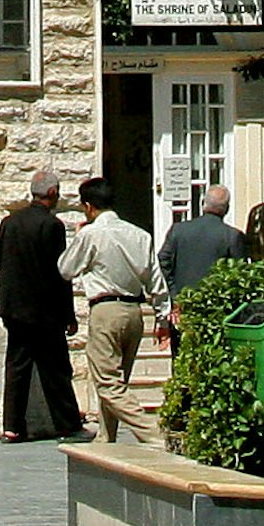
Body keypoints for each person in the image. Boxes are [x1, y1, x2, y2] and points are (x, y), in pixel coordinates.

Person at [0, 166, 86, 442]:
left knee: (17, 366)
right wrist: (70, 314)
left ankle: (12, 426)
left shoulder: (10, 222)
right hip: (45, 310)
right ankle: (67, 424)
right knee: (54, 369)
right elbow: (61, 273)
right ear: (52, 193)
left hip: (14, 308)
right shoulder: (52, 226)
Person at [61, 176, 160, 431]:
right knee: (119, 381)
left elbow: (66, 268)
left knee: (107, 383)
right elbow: (155, 280)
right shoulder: (140, 235)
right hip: (135, 312)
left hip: (105, 310)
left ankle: (152, 433)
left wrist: (78, 236)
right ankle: (107, 437)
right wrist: (162, 315)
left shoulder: (91, 234)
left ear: (88, 206)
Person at [159, 182, 253, 316]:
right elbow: (240, 275)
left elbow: (163, 261)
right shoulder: (232, 237)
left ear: (203, 203)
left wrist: (174, 295)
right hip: (218, 309)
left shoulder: (178, 230)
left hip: (184, 305)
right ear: (227, 209)